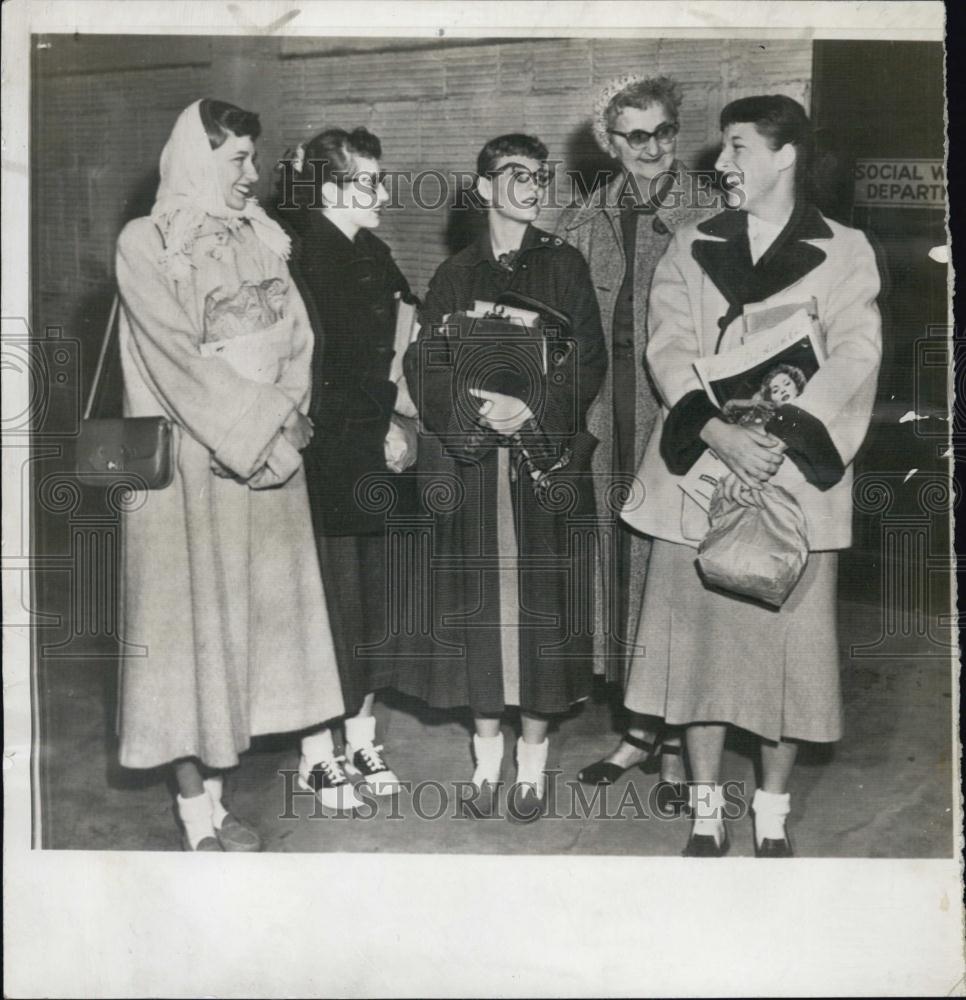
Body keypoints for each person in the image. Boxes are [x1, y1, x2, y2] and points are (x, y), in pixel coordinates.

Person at [621, 95, 882, 856]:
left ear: (785, 154)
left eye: (737, 147)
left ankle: (770, 812)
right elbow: (667, 347)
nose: (722, 164)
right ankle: (706, 810)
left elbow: (857, 355)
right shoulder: (689, 242)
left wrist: (780, 436)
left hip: (796, 476)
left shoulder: (846, 249)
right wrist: (716, 430)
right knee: (696, 654)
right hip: (703, 468)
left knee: (789, 659)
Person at [115, 99, 345, 850]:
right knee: (183, 636)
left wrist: (285, 419)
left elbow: (297, 339)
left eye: (253, 156)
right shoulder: (145, 243)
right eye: (237, 159)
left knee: (250, 634)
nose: (253, 174)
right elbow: (178, 360)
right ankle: (195, 813)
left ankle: (230, 789)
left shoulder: (260, 238)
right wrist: (264, 423)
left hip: (266, 462)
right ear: (195, 158)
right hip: (189, 472)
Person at [400, 133, 607, 820]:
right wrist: (471, 419)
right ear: (484, 187)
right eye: (515, 174)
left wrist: (533, 410)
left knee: (540, 614)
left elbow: (589, 358)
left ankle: (534, 761)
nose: (532, 185)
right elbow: (423, 362)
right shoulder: (454, 274)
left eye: (540, 175)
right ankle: (486, 758)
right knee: (481, 611)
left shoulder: (566, 266)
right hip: (475, 469)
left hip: (537, 462)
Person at [557, 74, 714, 797]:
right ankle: (638, 731)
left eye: (663, 132)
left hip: (680, 423)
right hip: (606, 423)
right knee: (619, 574)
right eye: (635, 135)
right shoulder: (582, 220)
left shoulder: (713, 213)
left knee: (674, 576)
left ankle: (680, 742)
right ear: (609, 144)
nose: (652, 148)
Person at [280, 127, 418, 810]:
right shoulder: (297, 253)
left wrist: (400, 420)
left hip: (374, 449)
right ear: (331, 188)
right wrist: (382, 424)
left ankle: (361, 737)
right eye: (369, 181)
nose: (384, 193)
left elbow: (403, 336)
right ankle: (316, 754)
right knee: (323, 607)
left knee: (369, 604)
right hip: (326, 456)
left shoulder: (373, 251)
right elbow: (315, 371)